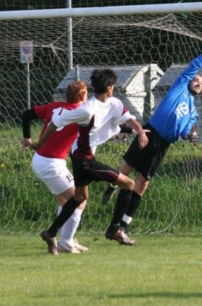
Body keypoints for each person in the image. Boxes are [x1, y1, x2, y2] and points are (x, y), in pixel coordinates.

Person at [101, 27, 202, 245]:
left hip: (163, 145)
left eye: (201, 83)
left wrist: (190, 135)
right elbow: (197, 64)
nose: (199, 82)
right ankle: (112, 186)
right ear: (188, 80)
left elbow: (183, 131)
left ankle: (122, 226)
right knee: (126, 169)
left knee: (142, 184)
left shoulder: (193, 112)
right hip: (150, 132)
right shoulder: (180, 87)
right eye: (196, 80)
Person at [29, 68, 149, 254]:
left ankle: (51, 233)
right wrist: (38, 144)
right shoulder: (87, 109)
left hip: (83, 158)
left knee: (79, 198)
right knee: (129, 184)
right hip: (84, 160)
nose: (114, 88)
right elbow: (55, 123)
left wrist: (140, 131)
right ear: (109, 87)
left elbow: (128, 118)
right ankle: (114, 229)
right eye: (113, 85)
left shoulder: (115, 103)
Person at [21, 81, 90, 254]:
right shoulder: (80, 113)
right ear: (82, 95)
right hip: (51, 164)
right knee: (80, 199)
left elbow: (26, 114)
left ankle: (67, 239)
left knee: (64, 201)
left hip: (41, 160)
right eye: (87, 93)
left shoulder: (54, 107)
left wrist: (27, 138)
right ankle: (66, 241)